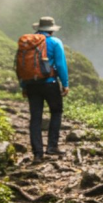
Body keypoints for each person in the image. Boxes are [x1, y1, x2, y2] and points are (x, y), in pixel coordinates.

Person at [22, 16, 69, 164]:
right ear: (52, 30)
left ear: (38, 28)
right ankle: (52, 146)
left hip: (31, 84)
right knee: (56, 111)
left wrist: (24, 85)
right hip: (50, 83)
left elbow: (23, 65)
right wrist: (65, 83)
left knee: (35, 117)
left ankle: (37, 153)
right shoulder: (55, 42)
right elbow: (61, 65)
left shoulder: (28, 43)